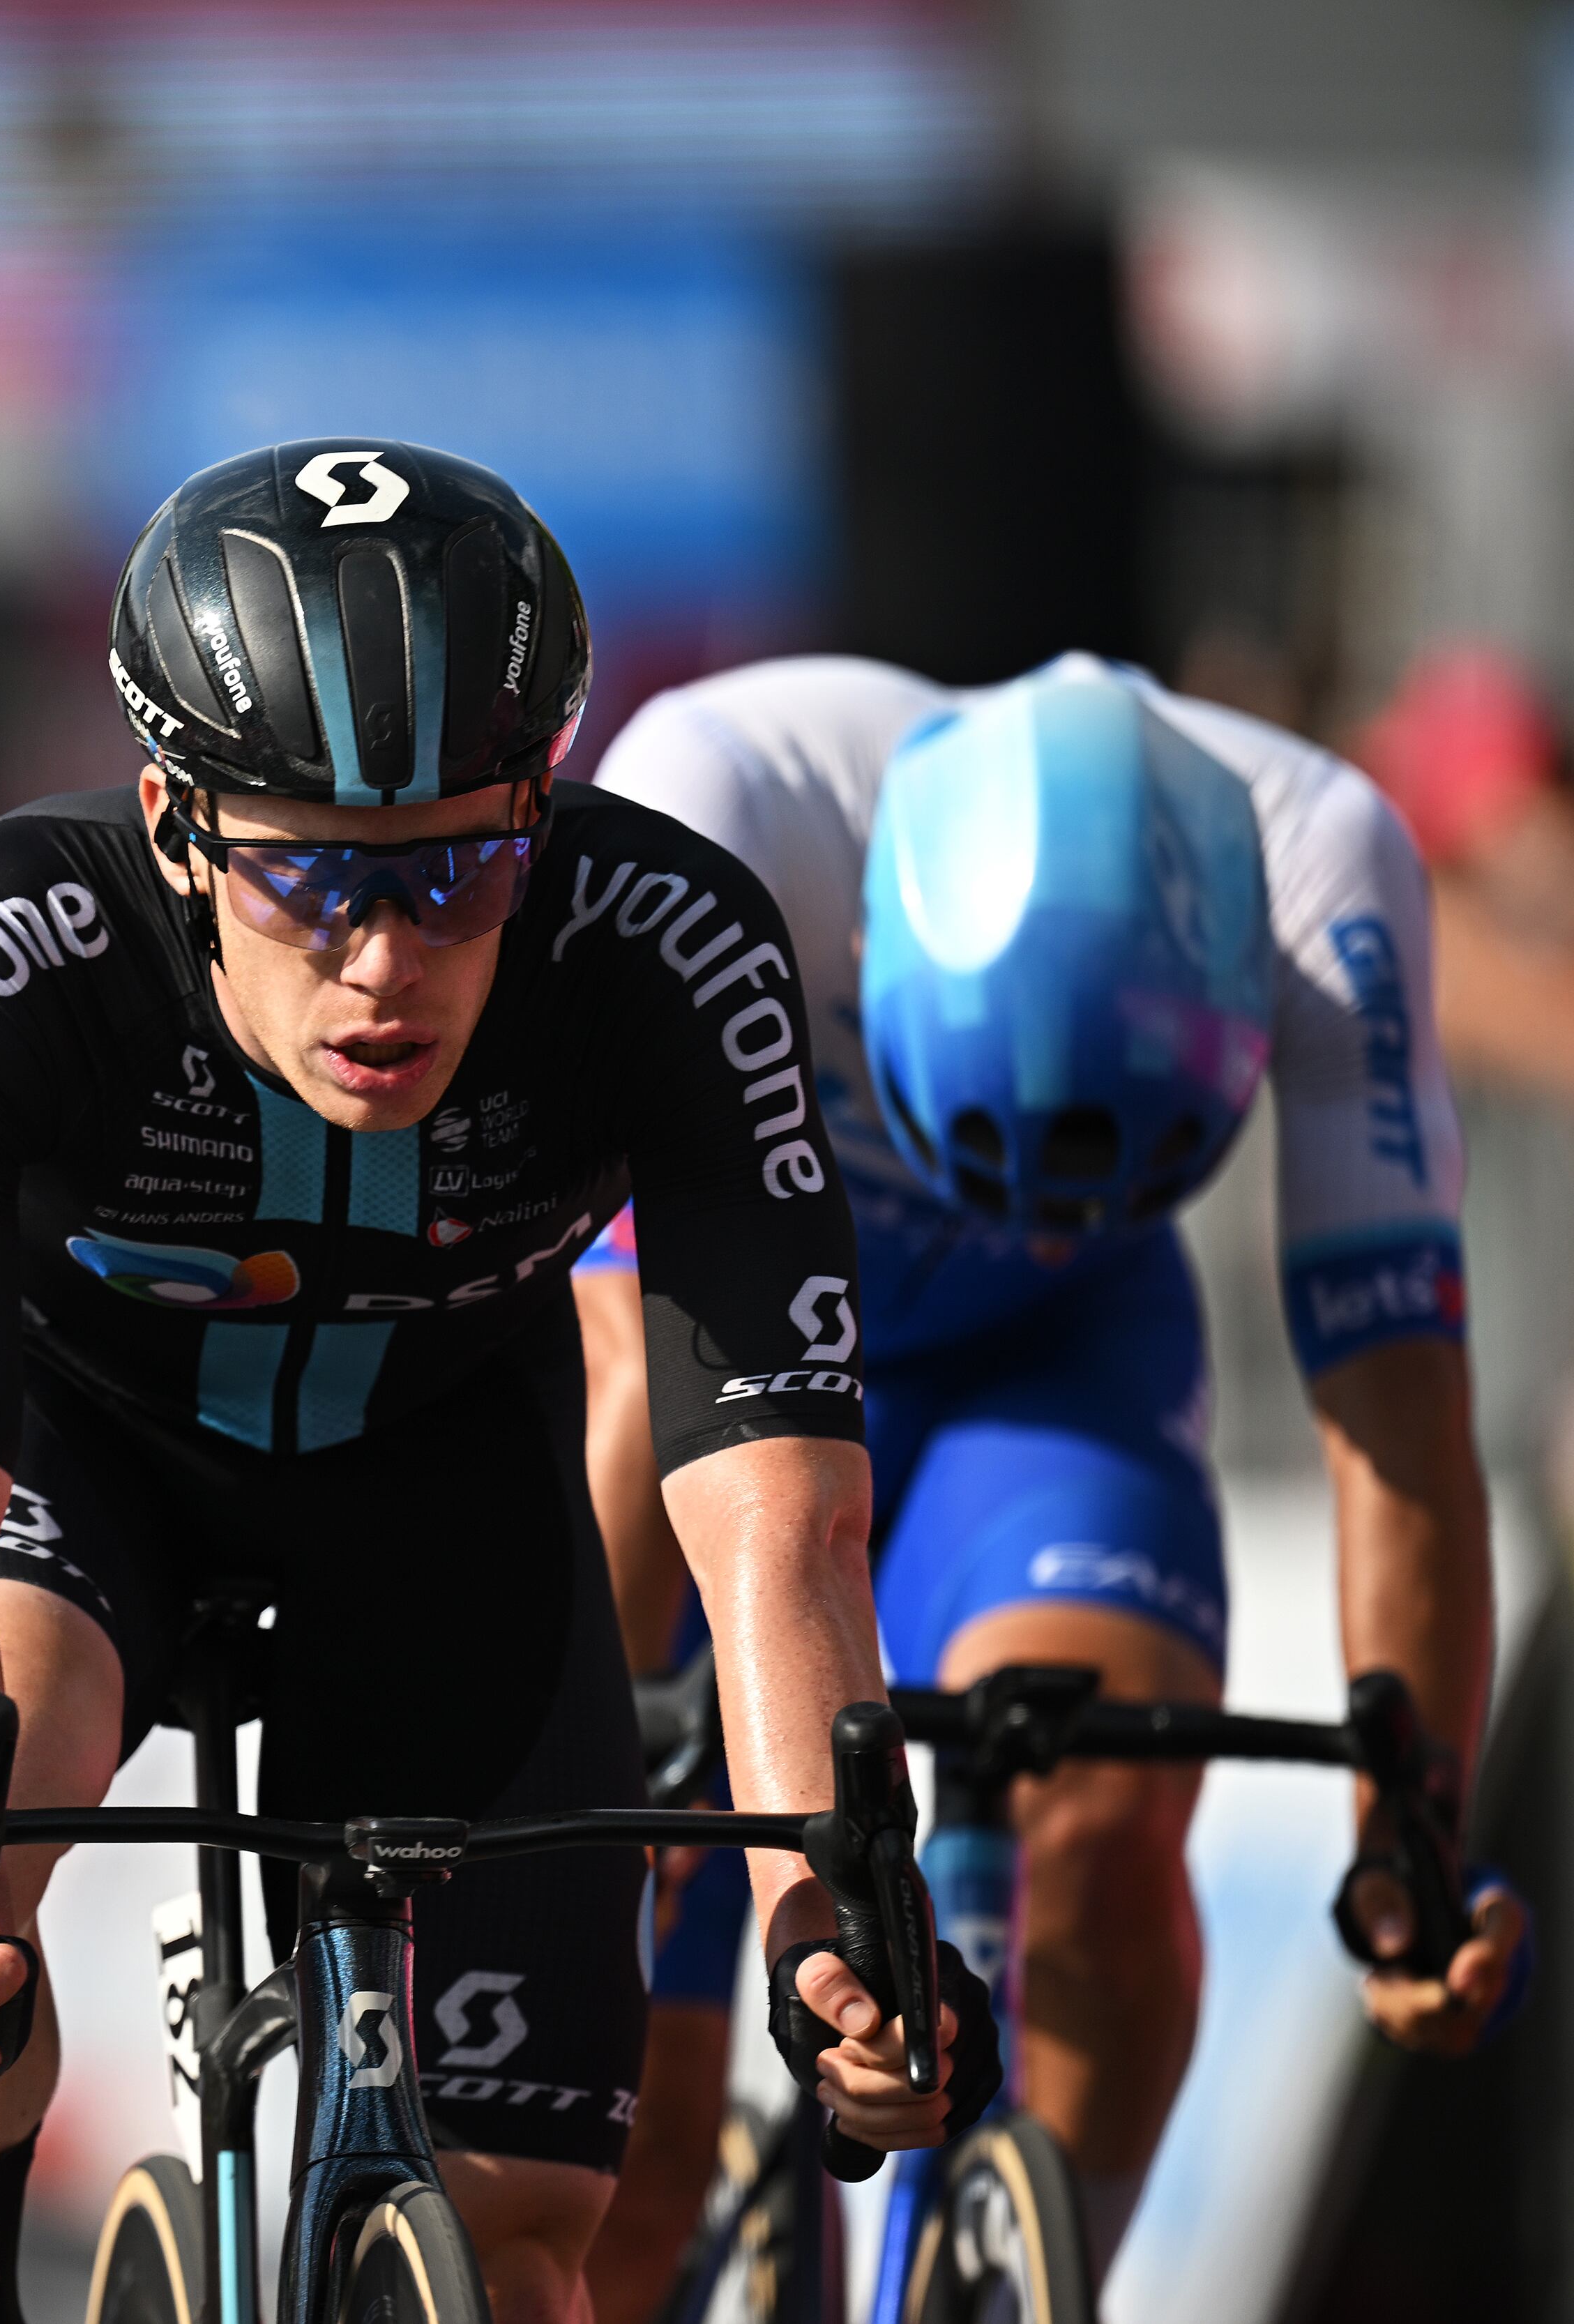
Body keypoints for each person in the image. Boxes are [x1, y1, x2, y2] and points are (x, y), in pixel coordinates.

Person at [0, 441, 999, 2324]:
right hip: (68, 1448)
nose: (387, 961)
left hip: (440, 1469)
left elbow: (785, 1523)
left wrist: (838, 1918)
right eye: (308, 881)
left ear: (544, 802)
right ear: (176, 817)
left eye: (460, 870)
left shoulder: (672, 954)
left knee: (518, 2238)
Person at [569, 654, 1531, 2318]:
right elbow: (614, 1386)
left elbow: (1401, 1427)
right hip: (724, 1342)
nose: (1026, 1199)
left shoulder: (1322, 874)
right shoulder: (716, 806)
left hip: (1052, 1350)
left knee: (1096, 1792)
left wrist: (1409, 1841)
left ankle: (1025, 2275)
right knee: (619, 2155)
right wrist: (573, 1781)